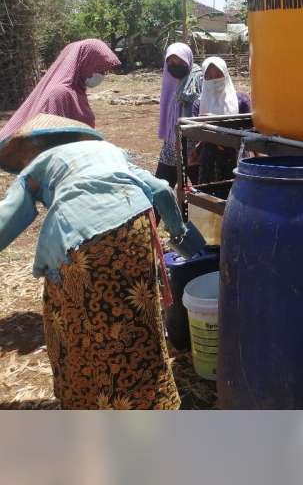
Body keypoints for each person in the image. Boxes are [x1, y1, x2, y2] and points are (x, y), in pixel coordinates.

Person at [0, 114, 191, 409]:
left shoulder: (38, 165)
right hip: (134, 228)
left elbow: (8, 219)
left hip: (81, 242)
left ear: (32, 147)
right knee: (135, 320)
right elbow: (162, 190)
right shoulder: (111, 152)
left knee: (74, 325)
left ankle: (87, 403)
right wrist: (181, 235)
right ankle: (151, 402)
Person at [0, 39, 120, 142]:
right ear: (85, 64)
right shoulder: (59, 93)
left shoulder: (77, 91)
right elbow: (48, 139)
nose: (102, 75)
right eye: (100, 70)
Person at [192, 56, 252, 184]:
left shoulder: (241, 100)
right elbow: (196, 134)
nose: (214, 80)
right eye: (209, 77)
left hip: (237, 157)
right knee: (210, 197)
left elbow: (251, 130)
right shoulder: (198, 104)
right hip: (209, 160)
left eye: (218, 75)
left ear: (225, 74)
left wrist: (226, 138)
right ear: (204, 78)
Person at [156, 42, 202, 188]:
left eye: (179, 61)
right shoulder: (168, 81)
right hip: (171, 145)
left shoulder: (198, 79)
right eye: (170, 61)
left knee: (205, 192)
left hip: (194, 146)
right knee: (162, 188)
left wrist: (195, 145)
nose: (174, 65)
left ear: (187, 60)